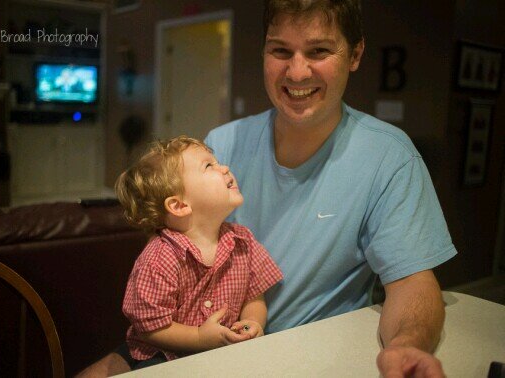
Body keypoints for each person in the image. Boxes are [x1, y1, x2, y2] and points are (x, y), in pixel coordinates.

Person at [77, 1, 456, 376]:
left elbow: (411, 283)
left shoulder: (389, 157)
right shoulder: (222, 143)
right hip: (193, 348)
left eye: (319, 50)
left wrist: (406, 345)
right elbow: (166, 259)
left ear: (355, 54)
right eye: (280, 50)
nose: (297, 72)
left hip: (301, 353)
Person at [104, 136, 283, 371]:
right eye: (209, 166)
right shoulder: (160, 258)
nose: (225, 168)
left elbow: (254, 296)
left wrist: (252, 322)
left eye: (217, 162)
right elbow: (150, 327)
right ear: (179, 206)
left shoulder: (243, 240)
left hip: (227, 352)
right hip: (166, 358)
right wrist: (199, 337)